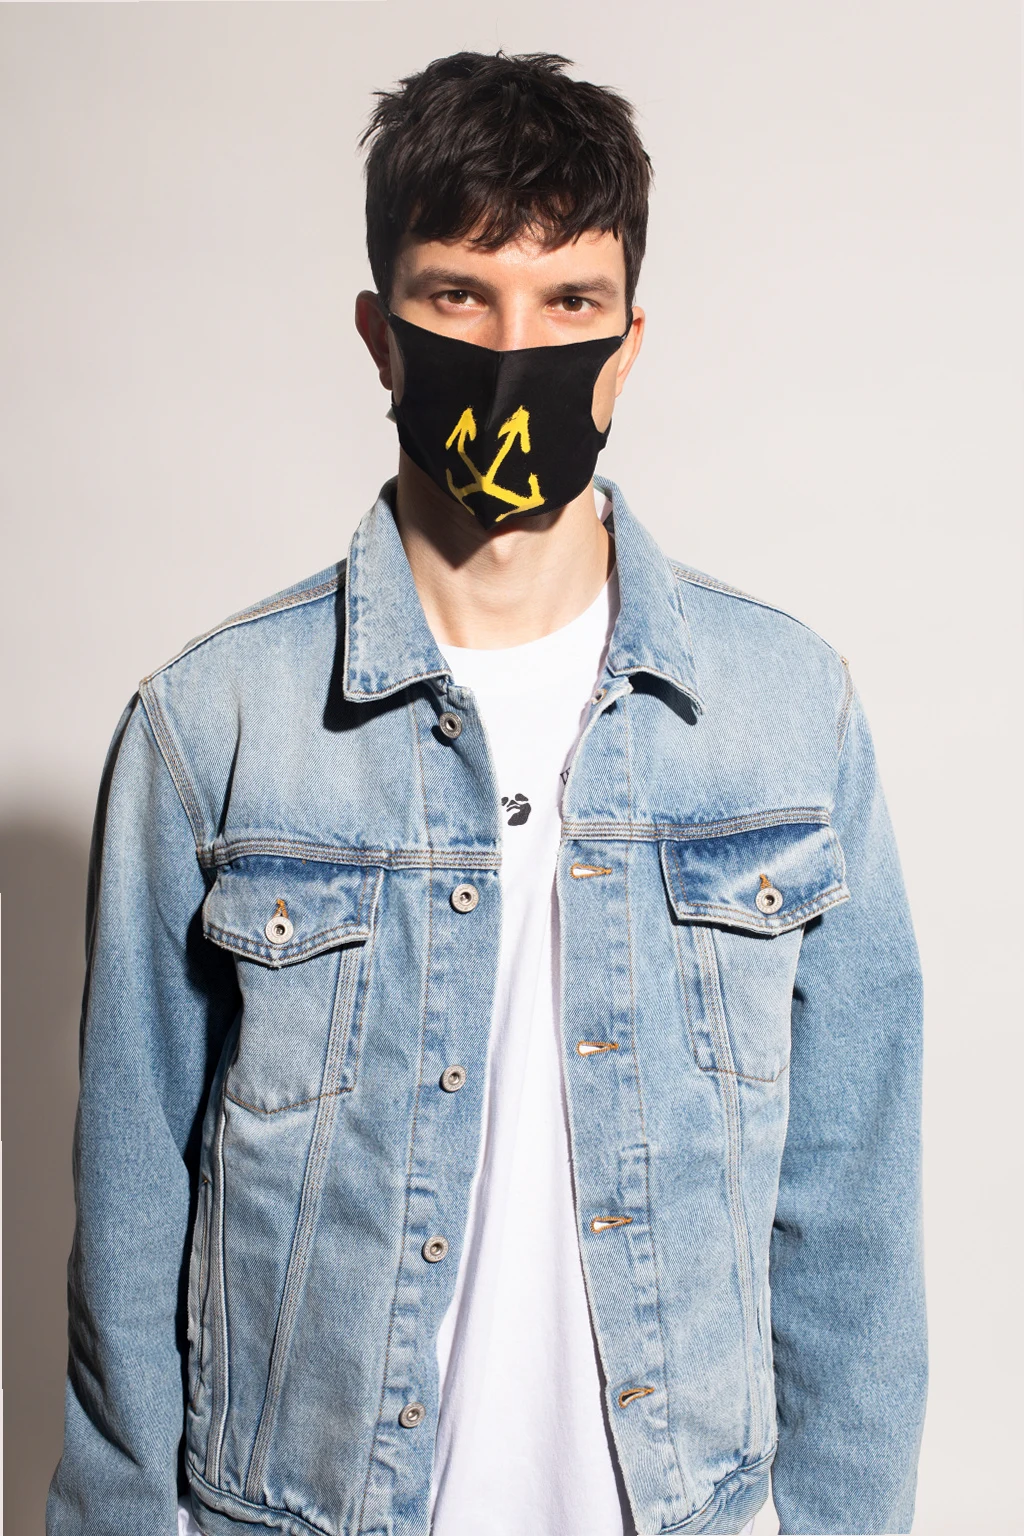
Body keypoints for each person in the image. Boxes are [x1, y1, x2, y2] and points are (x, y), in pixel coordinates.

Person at [46, 50, 927, 1536]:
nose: (516, 351)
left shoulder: (790, 719)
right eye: (460, 296)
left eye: (569, 304)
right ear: (380, 338)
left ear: (628, 347)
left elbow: (853, 1233)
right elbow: (128, 1258)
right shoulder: (212, 729)